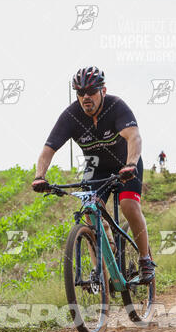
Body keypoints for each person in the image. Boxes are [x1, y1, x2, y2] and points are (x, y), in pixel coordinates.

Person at [31, 66, 155, 283]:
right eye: (80, 93)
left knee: (128, 205)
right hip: (96, 167)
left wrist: (131, 164)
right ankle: (100, 272)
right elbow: (47, 150)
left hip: (125, 164)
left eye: (91, 91)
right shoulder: (71, 116)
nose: (86, 97)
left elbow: (134, 137)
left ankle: (145, 259)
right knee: (89, 211)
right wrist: (39, 176)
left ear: (103, 90)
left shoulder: (116, 107)